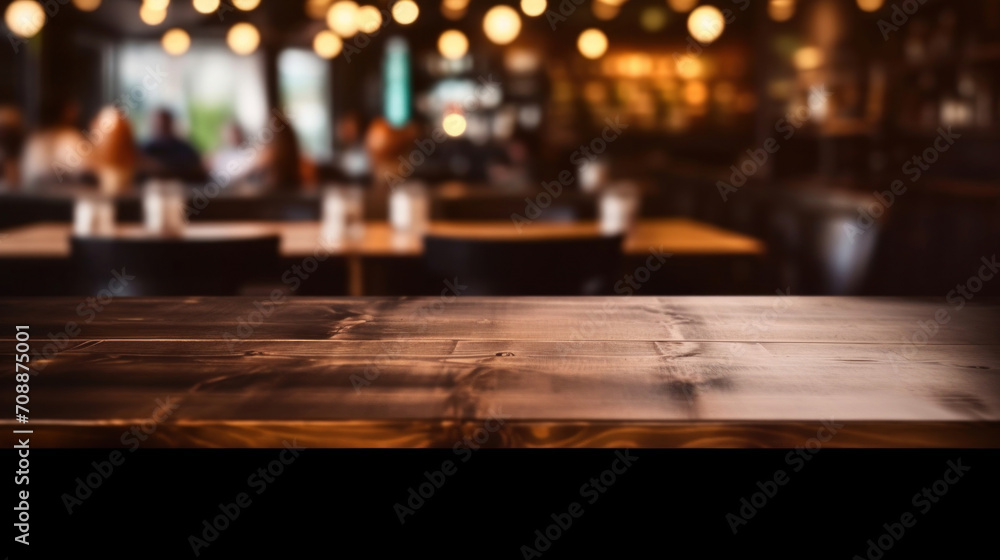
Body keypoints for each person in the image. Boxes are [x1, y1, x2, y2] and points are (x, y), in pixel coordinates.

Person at [20, 99, 91, 190]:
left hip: (32, 198)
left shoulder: (33, 140)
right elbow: (86, 173)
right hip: (64, 200)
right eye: (72, 110)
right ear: (65, 112)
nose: (76, 114)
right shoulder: (70, 138)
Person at [139, 108, 207, 183]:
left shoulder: (185, 149)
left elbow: (197, 170)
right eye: (158, 123)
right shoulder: (145, 149)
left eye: (164, 123)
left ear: (171, 123)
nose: (161, 126)